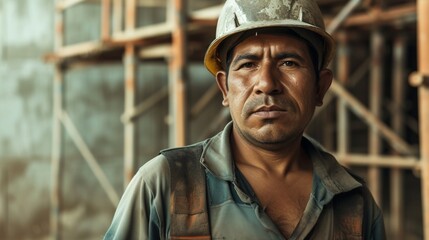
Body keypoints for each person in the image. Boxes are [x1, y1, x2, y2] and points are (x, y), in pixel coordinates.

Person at [104, 0, 386, 239]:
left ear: (320, 87)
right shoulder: (164, 185)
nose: (266, 83)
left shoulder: (354, 202)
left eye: (289, 63)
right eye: (248, 64)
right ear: (225, 88)